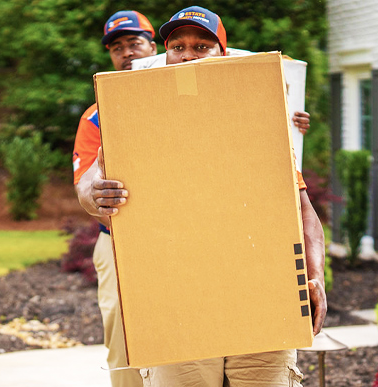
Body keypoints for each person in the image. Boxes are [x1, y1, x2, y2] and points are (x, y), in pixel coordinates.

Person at [75, 6, 327, 387]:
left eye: (201, 46)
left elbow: (300, 204)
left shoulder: (255, 116)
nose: (188, 55)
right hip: (174, 288)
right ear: (165, 55)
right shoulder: (128, 117)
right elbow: (90, 181)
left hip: (257, 291)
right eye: (177, 46)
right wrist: (96, 192)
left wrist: (315, 275)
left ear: (222, 55)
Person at [72, 10, 157, 387]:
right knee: (125, 348)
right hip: (118, 244)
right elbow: (84, 187)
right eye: (117, 47)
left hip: (189, 239)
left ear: (154, 46)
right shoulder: (95, 117)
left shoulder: (189, 96)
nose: (127, 53)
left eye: (134, 43)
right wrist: (95, 195)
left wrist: (290, 121)